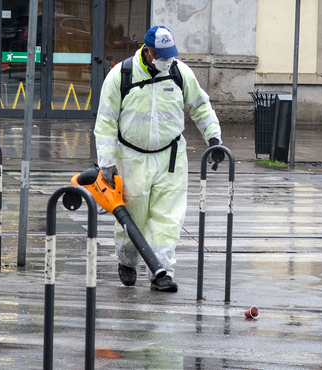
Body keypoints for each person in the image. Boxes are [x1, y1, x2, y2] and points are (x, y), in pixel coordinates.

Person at [94, 26, 223, 292]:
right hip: (131, 158)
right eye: (162, 56)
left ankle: (161, 272)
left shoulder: (180, 73)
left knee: (168, 218)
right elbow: (106, 120)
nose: (168, 61)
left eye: (170, 55)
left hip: (170, 158)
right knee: (133, 217)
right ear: (149, 52)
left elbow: (200, 106)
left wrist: (214, 138)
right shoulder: (122, 75)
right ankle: (127, 261)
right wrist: (106, 162)